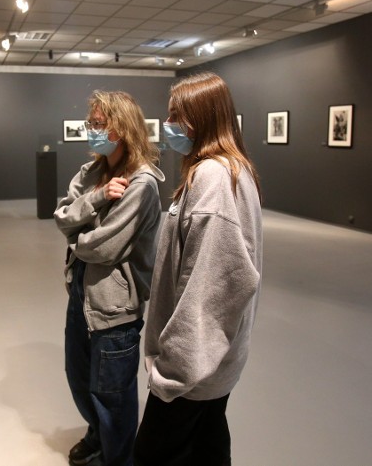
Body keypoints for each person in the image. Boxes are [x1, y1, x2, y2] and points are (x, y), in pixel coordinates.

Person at [133, 72, 263, 466]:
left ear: (203, 118)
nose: (168, 126)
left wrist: (173, 372)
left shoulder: (211, 176)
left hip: (192, 373)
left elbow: (211, 286)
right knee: (207, 448)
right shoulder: (233, 169)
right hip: (215, 366)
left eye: (177, 116)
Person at [54, 91, 165, 466]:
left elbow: (102, 248)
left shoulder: (143, 184)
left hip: (115, 304)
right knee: (80, 377)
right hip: (81, 292)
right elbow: (62, 216)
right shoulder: (92, 173)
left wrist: (77, 237)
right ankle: (96, 434)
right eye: (91, 124)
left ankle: (118, 456)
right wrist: (97, 198)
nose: (92, 131)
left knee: (113, 395)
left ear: (121, 128)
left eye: (99, 125)